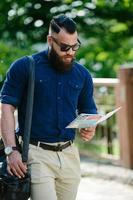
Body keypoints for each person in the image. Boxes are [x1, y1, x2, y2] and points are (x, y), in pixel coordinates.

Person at [0, 14, 97, 200]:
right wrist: (11, 150)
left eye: (75, 46)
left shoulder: (82, 74)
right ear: (50, 40)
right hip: (36, 153)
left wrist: (90, 126)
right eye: (64, 47)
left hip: (69, 154)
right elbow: (6, 108)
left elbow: (89, 109)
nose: (71, 52)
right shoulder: (24, 67)